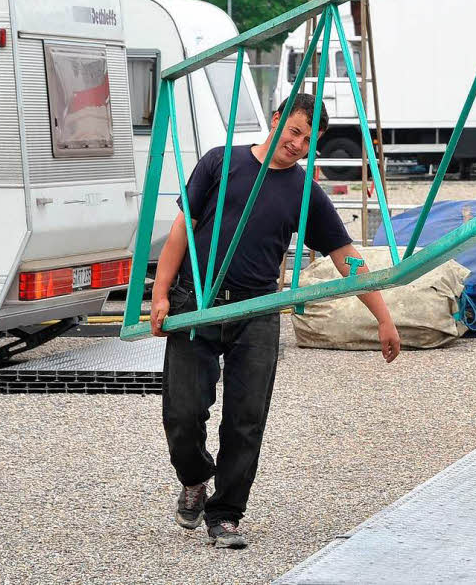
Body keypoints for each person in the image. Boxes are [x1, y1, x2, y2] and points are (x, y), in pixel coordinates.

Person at [150, 93, 401, 548]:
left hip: (257, 308)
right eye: (294, 131)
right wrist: (161, 293)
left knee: (247, 417)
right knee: (182, 413)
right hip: (198, 301)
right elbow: (181, 230)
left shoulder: (304, 192)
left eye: (308, 139)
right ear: (275, 119)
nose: (298, 143)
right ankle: (194, 477)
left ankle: (225, 514)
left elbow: (346, 257)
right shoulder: (220, 161)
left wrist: (383, 316)